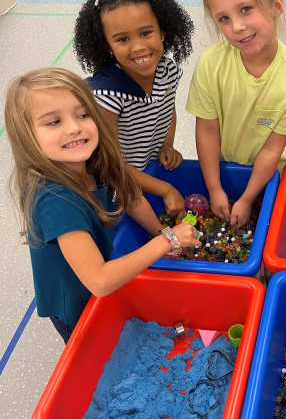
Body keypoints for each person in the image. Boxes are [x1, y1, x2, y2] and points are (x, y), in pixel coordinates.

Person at [4, 68, 200, 344]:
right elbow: (99, 280)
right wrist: (168, 240)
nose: (74, 127)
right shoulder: (55, 200)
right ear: (27, 136)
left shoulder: (93, 161)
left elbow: (132, 200)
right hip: (73, 302)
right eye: (53, 122)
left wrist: (160, 234)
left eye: (82, 114)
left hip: (101, 277)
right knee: (91, 347)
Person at [186, 0, 286, 228]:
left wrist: (247, 198)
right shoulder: (211, 63)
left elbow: (272, 150)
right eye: (224, 18)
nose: (238, 27)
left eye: (245, 9)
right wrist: (215, 188)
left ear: (276, 5)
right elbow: (207, 130)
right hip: (219, 169)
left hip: (267, 176)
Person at [74, 0, 195, 221]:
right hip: (116, 187)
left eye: (145, 33)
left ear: (162, 31)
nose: (138, 46)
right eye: (122, 39)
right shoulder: (106, 95)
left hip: (145, 172)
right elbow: (110, 165)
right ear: (107, 45)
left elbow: (168, 114)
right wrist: (166, 189)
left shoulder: (168, 71)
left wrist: (166, 146)